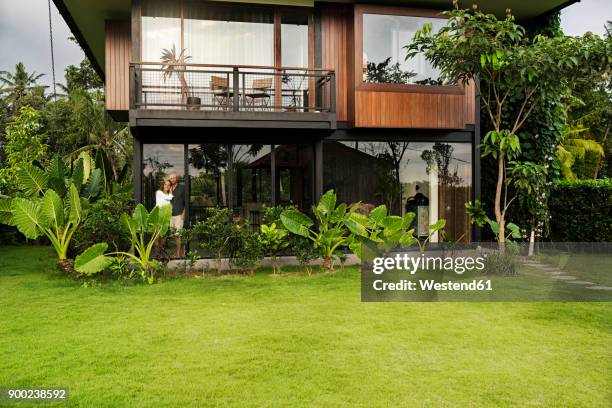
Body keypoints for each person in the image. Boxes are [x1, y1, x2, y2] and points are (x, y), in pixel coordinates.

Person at [169, 173, 186, 258]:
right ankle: (180, 250)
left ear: (177, 179)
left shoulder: (182, 188)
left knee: (178, 234)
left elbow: (186, 201)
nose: (173, 179)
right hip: (170, 216)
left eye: (174, 178)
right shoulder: (168, 188)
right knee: (173, 235)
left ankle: (178, 253)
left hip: (179, 215)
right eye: (171, 178)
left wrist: (184, 212)